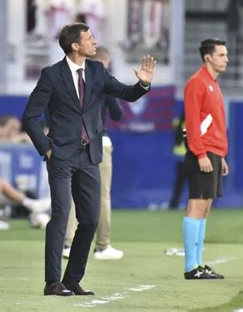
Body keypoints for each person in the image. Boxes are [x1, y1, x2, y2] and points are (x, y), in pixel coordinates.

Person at [22, 22, 155, 296]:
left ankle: (72, 280)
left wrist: (143, 83)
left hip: (89, 155)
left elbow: (127, 94)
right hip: (60, 156)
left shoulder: (97, 71)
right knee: (60, 214)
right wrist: (46, 148)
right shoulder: (51, 75)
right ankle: (52, 282)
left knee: (91, 219)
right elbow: (30, 117)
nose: (95, 42)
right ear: (75, 46)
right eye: (90, 38)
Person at [62, 46, 124, 260]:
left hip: (72, 142)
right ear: (104, 63)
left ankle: (68, 244)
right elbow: (117, 114)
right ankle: (102, 245)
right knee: (102, 196)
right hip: (99, 141)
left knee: (71, 192)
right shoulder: (103, 83)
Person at [182, 38, 229, 280]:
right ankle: (191, 267)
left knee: (205, 208)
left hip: (213, 153)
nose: (226, 59)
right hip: (202, 152)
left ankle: (198, 264)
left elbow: (214, 124)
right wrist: (201, 153)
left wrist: (220, 155)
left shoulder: (213, 84)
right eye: (221, 55)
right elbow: (191, 123)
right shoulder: (197, 83)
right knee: (196, 206)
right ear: (208, 57)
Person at [168, 112, 187, 210]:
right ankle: (192, 204)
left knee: (179, 183)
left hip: (179, 156)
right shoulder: (188, 124)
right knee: (193, 183)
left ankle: (174, 203)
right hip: (188, 156)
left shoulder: (177, 122)